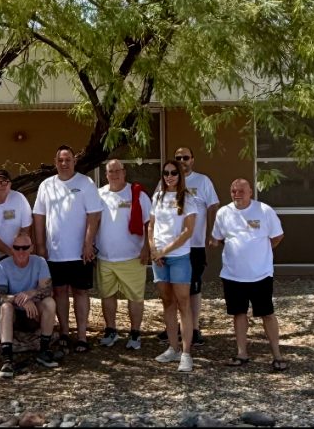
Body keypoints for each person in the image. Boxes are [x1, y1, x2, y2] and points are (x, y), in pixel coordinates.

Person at [210, 178, 288, 371]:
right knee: (238, 313)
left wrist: (260, 251)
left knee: (267, 313)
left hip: (260, 274)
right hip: (233, 275)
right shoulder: (223, 213)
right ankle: (242, 353)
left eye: (241, 191)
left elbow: (277, 236)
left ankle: (277, 355)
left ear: (250, 192)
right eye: (233, 191)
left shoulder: (264, 210)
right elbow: (218, 238)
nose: (237, 194)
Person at [32, 144, 102, 353]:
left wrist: (88, 244)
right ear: (55, 162)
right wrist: (41, 245)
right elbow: (39, 216)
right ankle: (64, 332)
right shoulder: (46, 185)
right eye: (60, 160)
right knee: (59, 292)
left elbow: (94, 215)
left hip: (81, 252)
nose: (64, 163)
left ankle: (81, 336)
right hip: (55, 252)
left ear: (74, 161)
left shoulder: (86, 183)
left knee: (81, 292)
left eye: (68, 159)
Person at [96, 159, 151, 351]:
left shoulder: (137, 194)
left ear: (124, 172)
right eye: (111, 171)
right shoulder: (99, 194)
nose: (115, 174)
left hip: (132, 257)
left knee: (135, 298)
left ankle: (135, 333)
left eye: (118, 170)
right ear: (106, 174)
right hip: (105, 257)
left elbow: (148, 224)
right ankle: (111, 330)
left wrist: (147, 248)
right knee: (107, 296)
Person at [149, 158, 198, 372]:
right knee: (167, 302)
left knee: (183, 303)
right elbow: (151, 226)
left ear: (180, 175)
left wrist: (164, 250)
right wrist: (153, 250)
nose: (169, 176)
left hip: (178, 257)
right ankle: (173, 347)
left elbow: (188, 231)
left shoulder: (188, 199)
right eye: (166, 173)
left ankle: (186, 353)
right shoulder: (157, 197)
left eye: (173, 173)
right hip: (159, 259)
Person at [0, 232, 60, 378]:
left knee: (49, 302)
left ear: (32, 248)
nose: (21, 251)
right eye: (17, 248)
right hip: (15, 314)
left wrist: (31, 294)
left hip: (34, 312)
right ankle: (7, 359)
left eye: (25, 247)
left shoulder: (40, 262)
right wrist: (21, 299)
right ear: (12, 249)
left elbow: (48, 290)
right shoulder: (3, 265)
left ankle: (44, 350)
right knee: (5, 307)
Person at [174, 146, 220, 346]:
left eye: (185, 157)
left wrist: (212, 233)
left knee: (193, 288)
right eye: (178, 158)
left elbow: (213, 206)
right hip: (173, 246)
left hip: (194, 245)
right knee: (175, 287)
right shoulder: (167, 181)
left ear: (192, 160)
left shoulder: (203, 181)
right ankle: (177, 326)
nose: (182, 160)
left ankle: (194, 328)